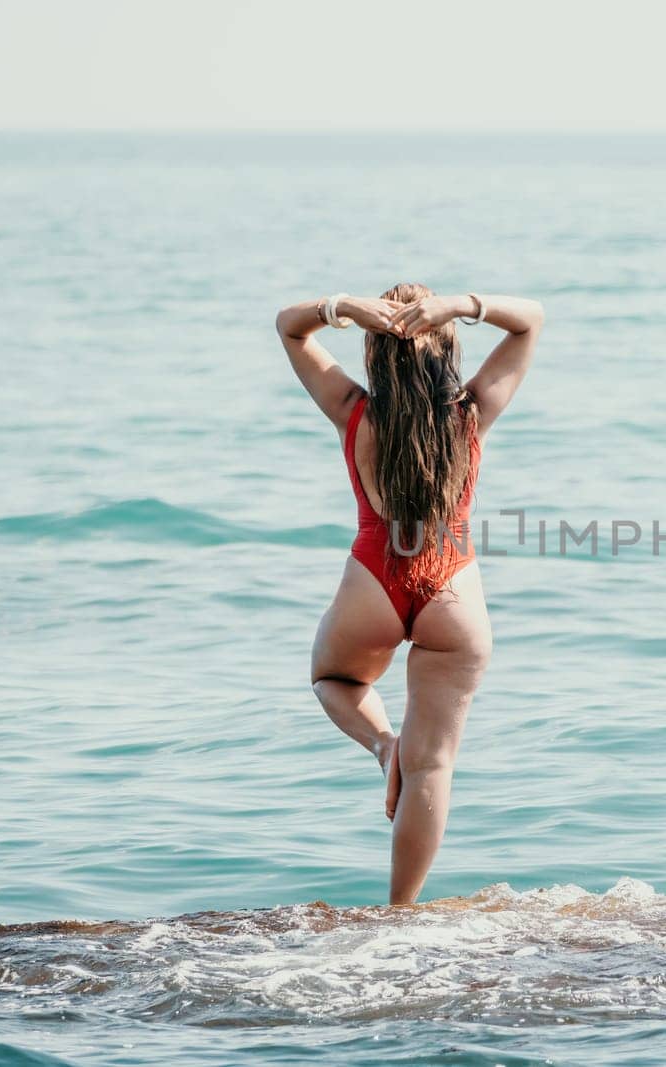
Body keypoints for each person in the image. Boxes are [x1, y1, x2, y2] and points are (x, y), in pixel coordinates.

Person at [274, 284, 544, 904]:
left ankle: (382, 744)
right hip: (453, 583)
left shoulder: (351, 409)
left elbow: (289, 327)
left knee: (332, 680)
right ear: (445, 349)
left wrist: (342, 308)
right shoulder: (470, 413)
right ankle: (401, 914)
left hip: (374, 576)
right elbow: (530, 322)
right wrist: (461, 305)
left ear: (376, 348)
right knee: (433, 766)